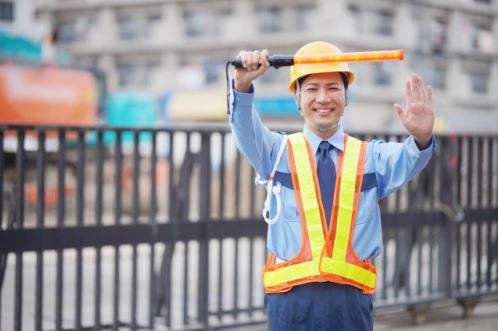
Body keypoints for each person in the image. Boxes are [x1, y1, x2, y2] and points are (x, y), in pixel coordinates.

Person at [228, 41, 435, 330]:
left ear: (346, 97)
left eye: (333, 88)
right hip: (290, 307)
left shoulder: (370, 157)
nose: (323, 98)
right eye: (312, 88)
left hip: (350, 307)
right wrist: (240, 85)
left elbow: (408, 158)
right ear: (297, 98)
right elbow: (244, 129)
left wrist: (422, 139)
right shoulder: (275, 153)